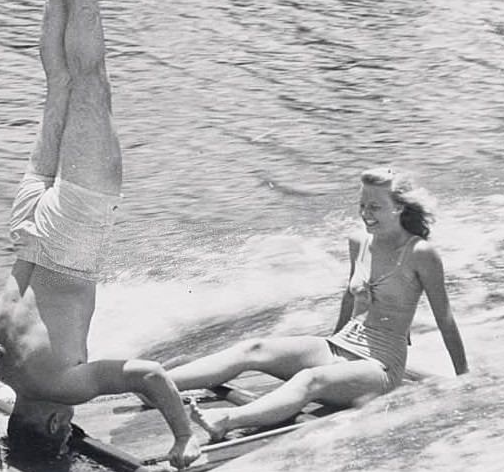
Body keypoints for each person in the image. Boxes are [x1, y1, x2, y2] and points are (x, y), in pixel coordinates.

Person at [0, 0, 201, 469]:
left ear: (54, 423)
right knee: (57, 79)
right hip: (25, 229)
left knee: (90, 77)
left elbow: (149, 375)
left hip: (68, 241)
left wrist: (182, 434)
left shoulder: (63, 393)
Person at [168, 167, 469, 442]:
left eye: (375, 206)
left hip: (380, 366)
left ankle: (225, 420)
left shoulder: (420, 253)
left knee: (309, 379)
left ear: (399, 208)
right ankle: (157, 383)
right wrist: (330, 344)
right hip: (338, 347)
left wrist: (464, 379)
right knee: (254, 348)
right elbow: (350, 296)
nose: (366, 214)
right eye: (362, 205)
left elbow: (445, 319)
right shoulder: (359, 241)